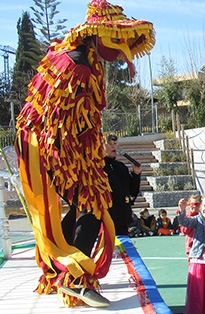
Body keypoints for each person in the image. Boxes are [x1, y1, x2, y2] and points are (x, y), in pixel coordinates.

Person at [14, 0, 154, 307]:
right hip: (47, 141)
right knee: (92, 199)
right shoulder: (76, 64)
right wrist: (77, 164)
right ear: (96, 34)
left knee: (86, 202)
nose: (124, 51)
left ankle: (58, 271)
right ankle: (74, 278)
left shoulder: (88, 60)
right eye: (117, 39)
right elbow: (56, 122)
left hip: (65, 139)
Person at [176, 194, 205, 314]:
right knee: (197, 292)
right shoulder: (198, 220)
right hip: (199, 260)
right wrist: (182, 211)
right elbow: (185, 222)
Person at [103, 133, 141, 235]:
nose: (113, 146)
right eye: (109, 143)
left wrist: (136, 174)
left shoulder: (121, 167)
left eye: (114, 143)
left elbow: (132, 191)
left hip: (122, 216)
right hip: (107, 216)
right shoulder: (99, 167)